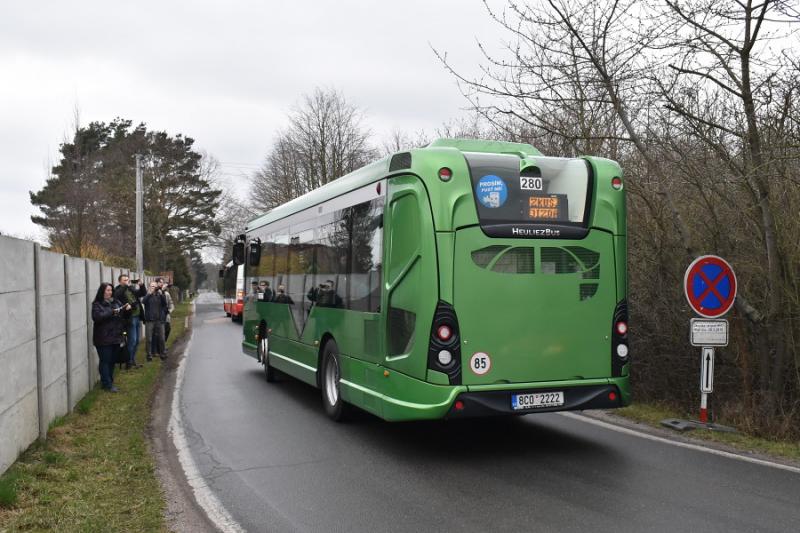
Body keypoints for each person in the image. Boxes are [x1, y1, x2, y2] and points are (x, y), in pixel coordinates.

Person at [91, 282, 130, 392]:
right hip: (103, 339)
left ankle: (109, 381)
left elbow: (122, 316)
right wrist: (111, 312)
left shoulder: (116, 302)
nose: (109, 292)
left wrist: (127, 310)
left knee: (112, 361)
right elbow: (97, 317)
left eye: (111, 290)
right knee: (105, 361)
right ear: (102, 291)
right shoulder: (97, 304)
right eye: (107, 290)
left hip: (116, 337)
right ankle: (107, 384)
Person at [114, 274, 146, 370]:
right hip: (129, 318)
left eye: (127, 279)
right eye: (124, 280)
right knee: (132, 341)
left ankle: (132, 360)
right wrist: (126, 286)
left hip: (137, 317)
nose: (127, 281)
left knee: (136, 341)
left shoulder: (131, 289)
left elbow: (142, 293)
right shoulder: (118, 290)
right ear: (120, 281)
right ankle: (129, 362)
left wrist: (141, 285)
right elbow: (118, 296)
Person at [142, 281, 167, 361]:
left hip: (159, 320)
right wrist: (149, 293)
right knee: (149, 339)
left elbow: (164, 304)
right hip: (150, 320)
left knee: (162, 338)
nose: (153, 288)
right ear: (149, 287)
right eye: (152, 286)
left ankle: (162, 353)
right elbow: (143, 301)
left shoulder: (159, 295)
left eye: (155, 286)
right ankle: (149, 355)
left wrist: (162, 292)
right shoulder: (147, 295)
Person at [161, 280, 175, 345]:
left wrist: (170, 310)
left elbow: (171, 303)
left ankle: (163, 343)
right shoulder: (157, 292)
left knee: (168, 329)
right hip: (159, 316)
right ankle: (161, 347)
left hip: (166, 315)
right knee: (160, 332)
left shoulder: (167, 294)